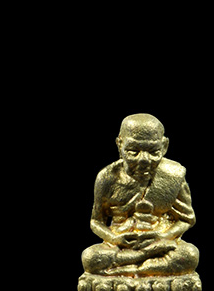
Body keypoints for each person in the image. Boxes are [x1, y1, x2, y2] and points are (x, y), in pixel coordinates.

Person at [81, 113, 199, 276]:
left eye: (153, 152)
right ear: (119, 144)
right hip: (122, 245)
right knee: (90, 257)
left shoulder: (173, 175)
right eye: (133, 151)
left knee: (190, 255)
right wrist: (115, 239)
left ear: (164, 146)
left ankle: (129, 269)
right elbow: (96, 221)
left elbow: (187, 219)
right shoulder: (107, 178)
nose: (144, 160)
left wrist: (163, 236)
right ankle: (144, 264)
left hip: (159, 242)